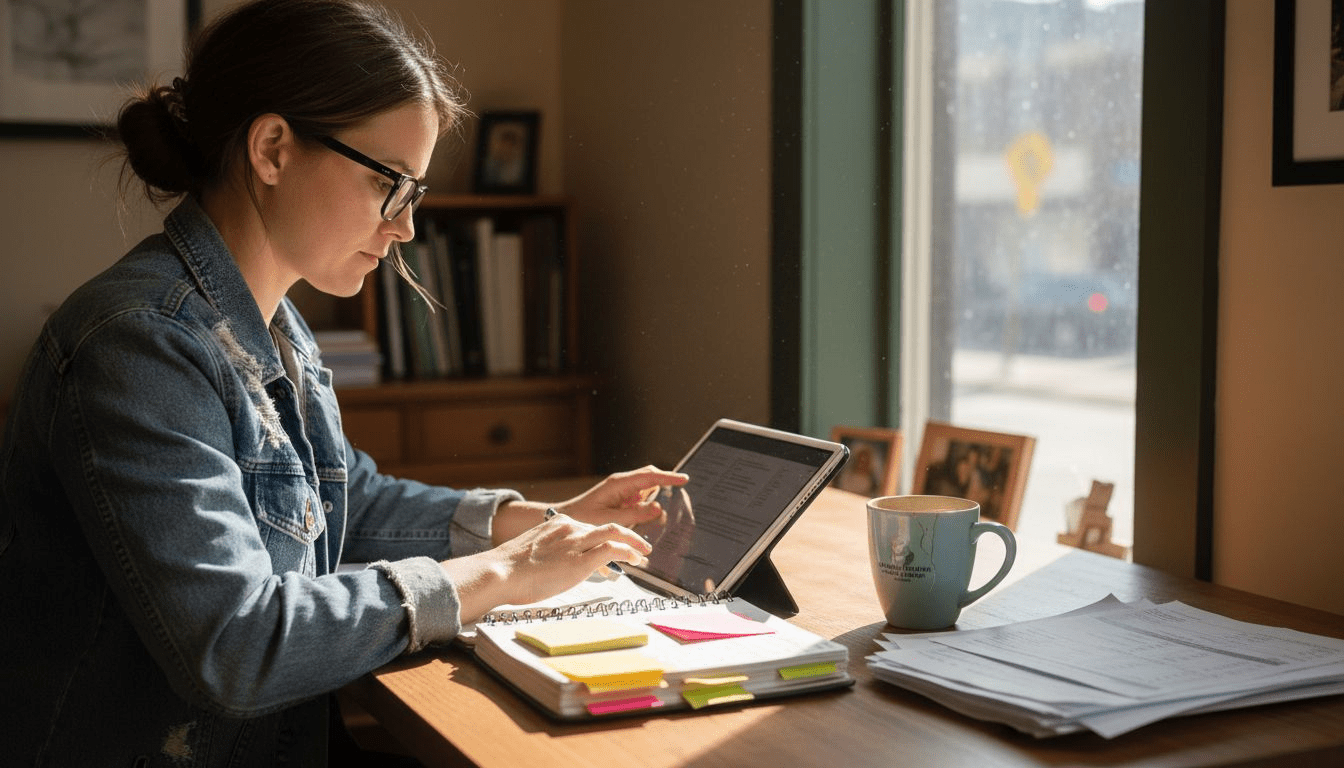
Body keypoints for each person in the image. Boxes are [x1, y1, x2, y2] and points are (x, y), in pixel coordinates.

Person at [0, 1, 685, 765]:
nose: (406, 227)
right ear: (272, 149)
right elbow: (240, 643)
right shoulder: (137, 345)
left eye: (414, 192)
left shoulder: (274, 326)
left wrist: (532, 520)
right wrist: (504, 573)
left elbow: (340, 503)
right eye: (391, 182)